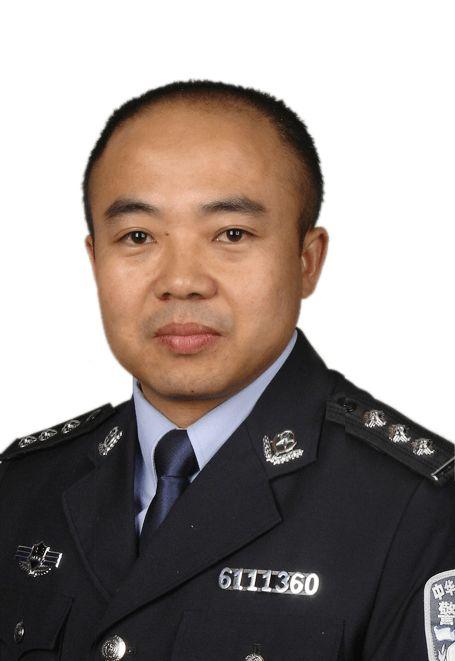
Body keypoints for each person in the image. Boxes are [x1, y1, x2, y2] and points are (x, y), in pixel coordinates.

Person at [0, 80, 453, 661]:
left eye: (231, 234)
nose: (181, 281)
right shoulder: (23, 488)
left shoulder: (419, 511)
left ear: (307, 260)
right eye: (137, 236)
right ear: (95, 260)